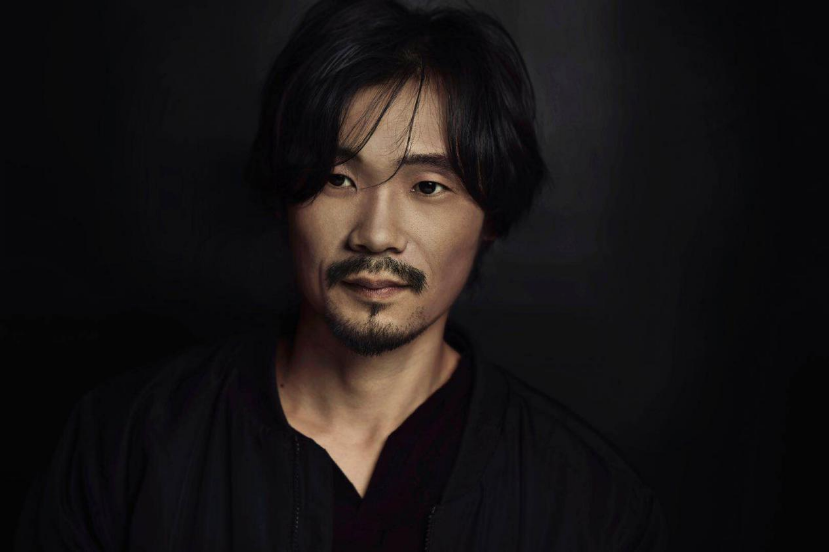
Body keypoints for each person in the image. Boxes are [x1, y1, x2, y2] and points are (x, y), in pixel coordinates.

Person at [17, 0, 667, 550]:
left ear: (489, 217)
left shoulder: (590, 504)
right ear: (286, 195)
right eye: (338, 179)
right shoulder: (125, 448)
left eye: (428, 186)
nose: (376, 234)